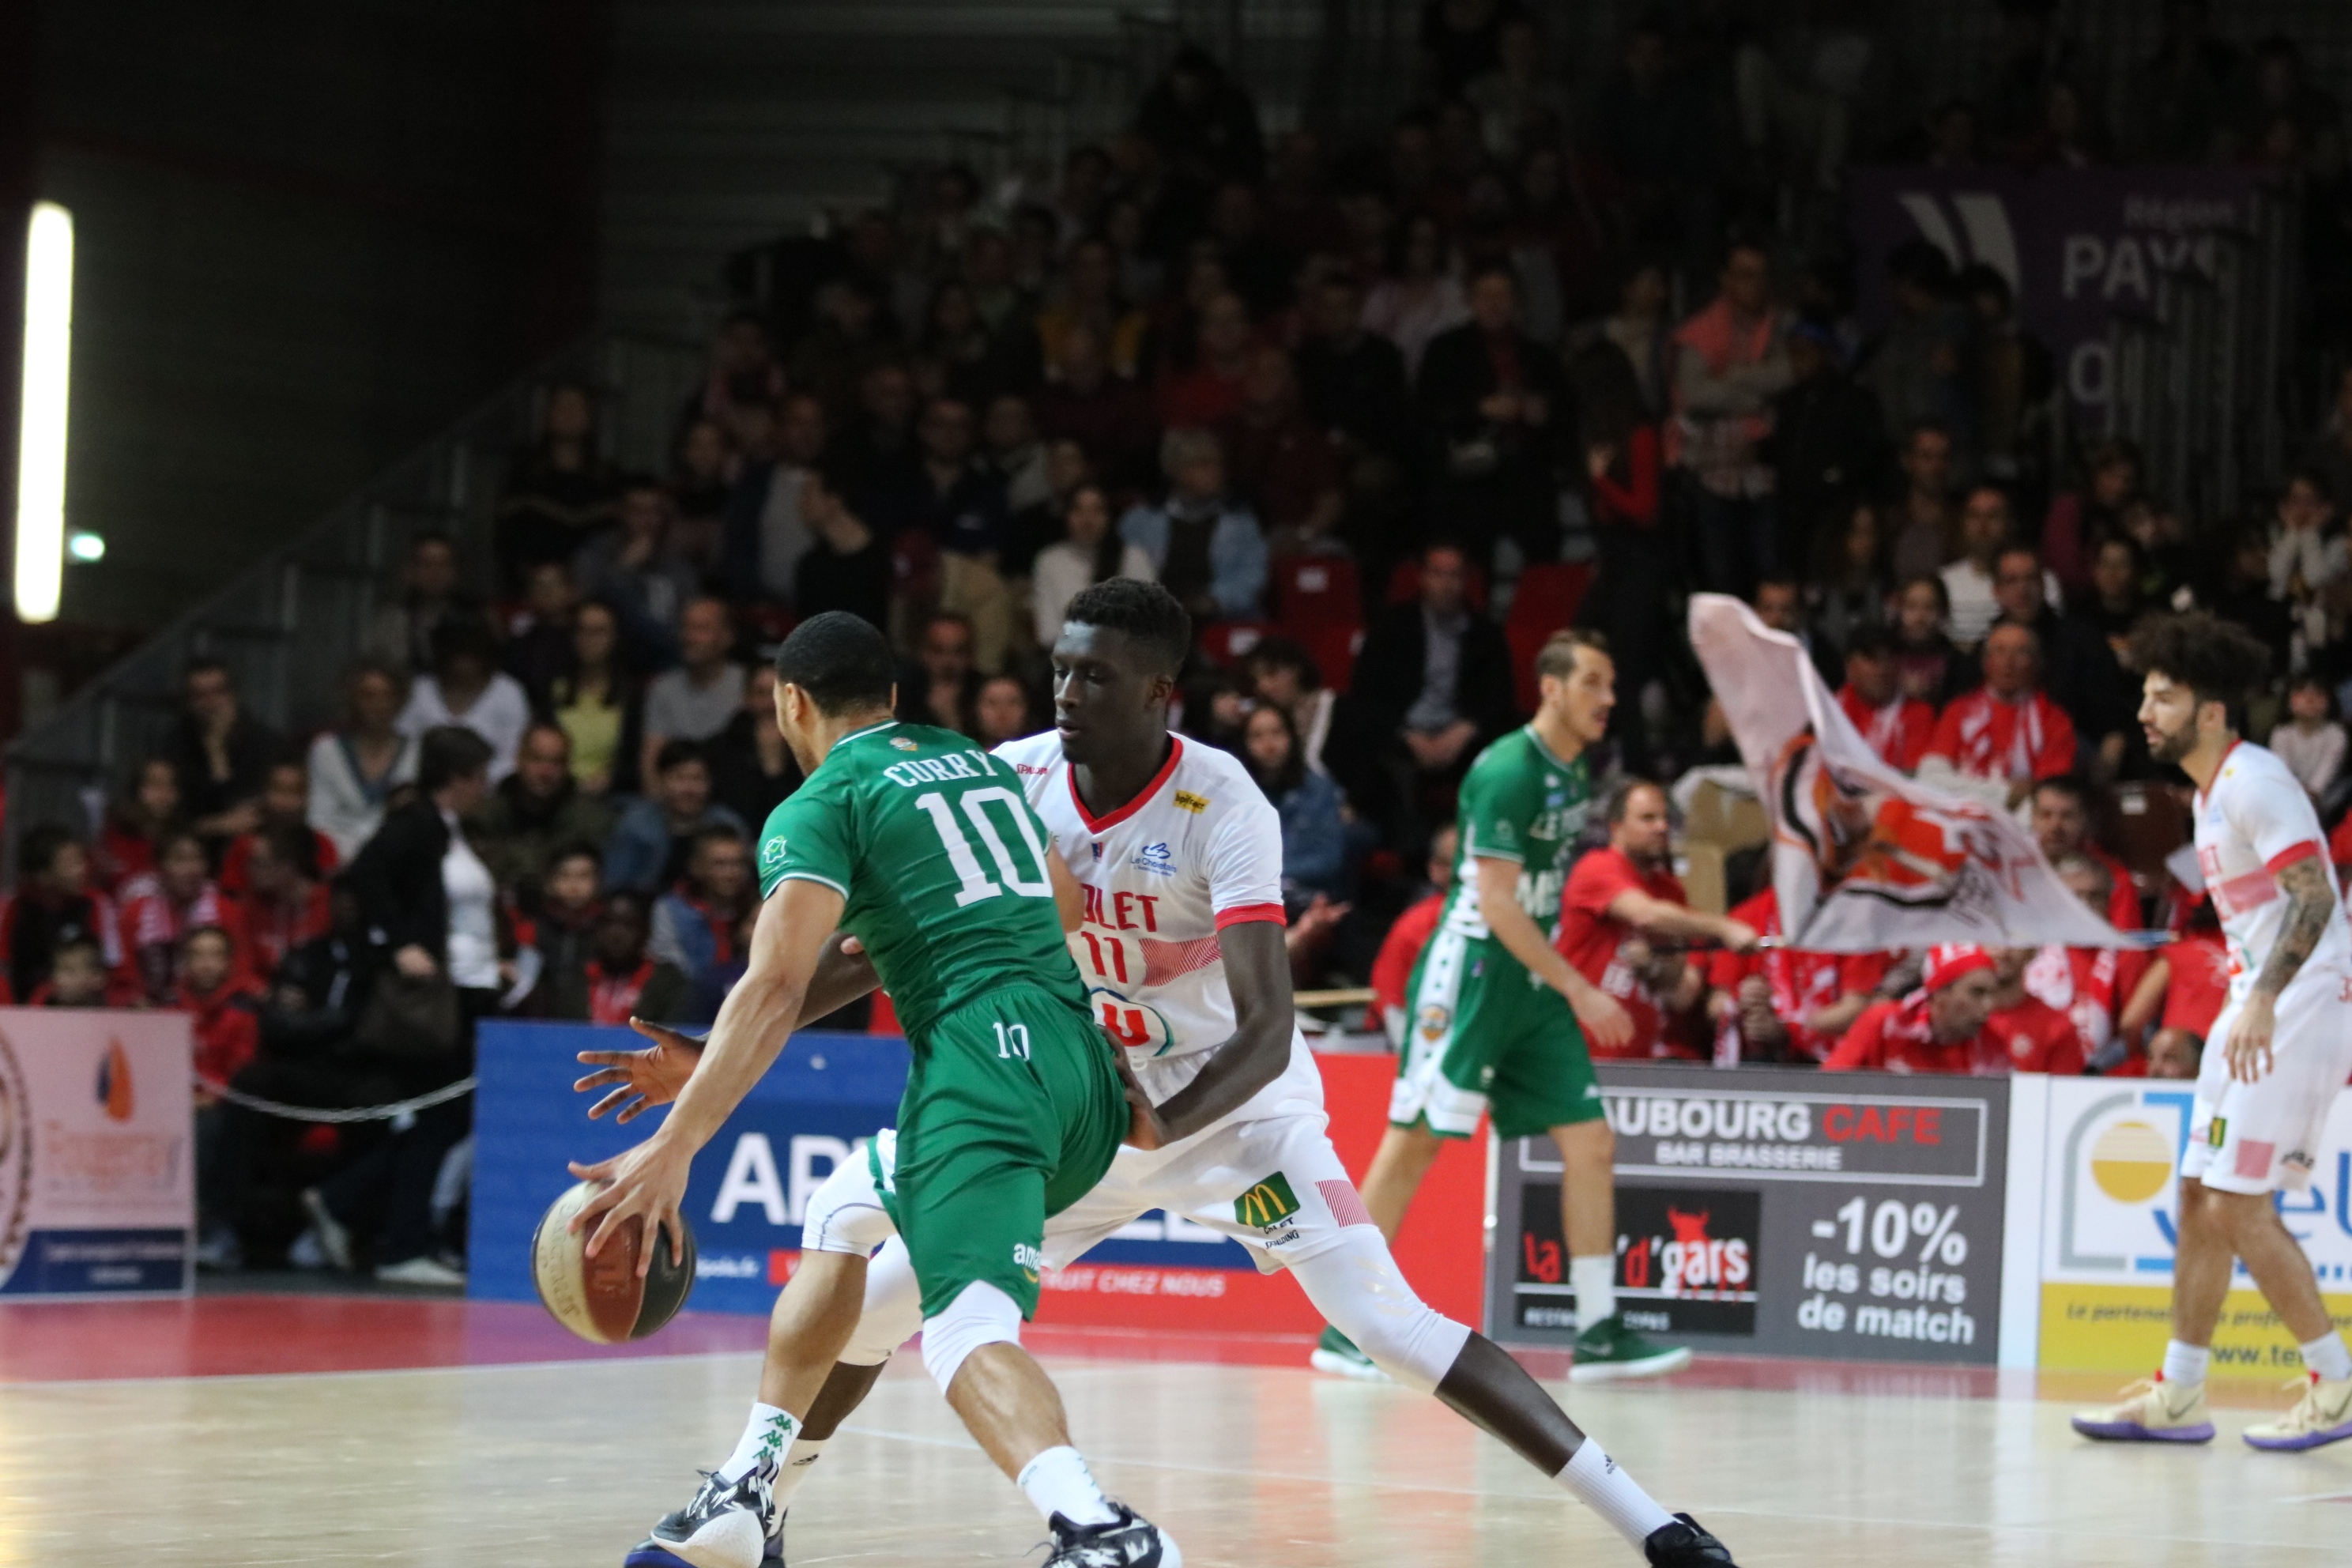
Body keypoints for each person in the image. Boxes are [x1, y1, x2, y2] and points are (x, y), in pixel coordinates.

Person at [575, 592, 1743, 1568]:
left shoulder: (1221, 801)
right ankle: (759, 1496)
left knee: (1390, 1327)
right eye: (1059, 672)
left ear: (1155, 695)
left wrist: (1170, 1118)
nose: (1066, 697)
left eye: (1093, 679)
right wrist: (701, 1044)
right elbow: (889, 940)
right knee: (879, 1292)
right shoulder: (1011, 773)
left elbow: (1272, 1023)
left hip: (1231, 1120)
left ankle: (1650, 1523)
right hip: (1086, 1100)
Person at [565, 609, 1182, 1568]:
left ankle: (1101, 1530)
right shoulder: (976, 762)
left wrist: (673, 1145)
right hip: (1084, 1059)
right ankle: (748, 1487)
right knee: (840, 1212)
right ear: (893, 699)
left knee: (964, 1327)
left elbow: (771, 985)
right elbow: (1062, 904)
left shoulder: (820, 805)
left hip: (982, 1065)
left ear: (789, 703)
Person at [1367, 630, 1693, 1382]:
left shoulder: (1576, 767)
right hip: (1478, 969)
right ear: (1551, 688)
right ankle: (1348, 1326)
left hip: (1530, 984)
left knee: (1591, 1142)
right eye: (1594, 683)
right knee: (1413, 1139)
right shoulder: (1508, 770)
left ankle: (1598, 1329)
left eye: (1612, 684)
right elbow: (1498, 905)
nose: (1609, 698)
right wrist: (1579, 985)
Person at [2073, 612, 2352, 1450]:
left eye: (2165, 698)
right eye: (2145, 697)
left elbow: (2315, 899)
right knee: (2198, 1193)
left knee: (2236, 1200)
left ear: (2213, 712)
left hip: (2297, 999)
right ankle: (2182, 1392)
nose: (2145, 713)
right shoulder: (2207, 793)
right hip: (2258, 996)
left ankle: (2336, 1385)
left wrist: (2264, 996)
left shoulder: (2254, 783)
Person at [327, 726, 503, 1287]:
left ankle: (342, 1201)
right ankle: (401, 1244)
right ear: (459, 777)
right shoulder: (419, 824)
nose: (485, 788)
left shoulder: (451, 829)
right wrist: (402, 942)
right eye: (479, 777)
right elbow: (366, 873)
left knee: (442, 1116)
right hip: (434, 998)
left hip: (468, 988)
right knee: (439, 1115)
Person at [1558, 779, 1762, 1062]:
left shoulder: (1669, 890)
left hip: (1638, 1056)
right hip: (1580, 1051)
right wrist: (1725, 927)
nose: (1661, 827)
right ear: (1616, 827)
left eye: (1665, 818)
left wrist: (1654, 966)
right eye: (1647, 819)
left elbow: (1680, 995)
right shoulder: (1597, 868)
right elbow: (1646, 914)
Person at [1418, 263, 1569, 566]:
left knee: (1544, 544)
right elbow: (1427, 409)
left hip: (1526, 472)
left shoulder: (1539, 355)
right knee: (1469, 549)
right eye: (1485, 295)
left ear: (1517, 301)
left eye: (1502, 295)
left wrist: (1541, 413)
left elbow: (1562, 410)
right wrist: (1479, 409)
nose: (1494, 304)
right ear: (1470, 301)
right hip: (1467, 472)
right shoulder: (1446, 351)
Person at [1351, 541, 1519, 805]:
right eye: (1437, 574)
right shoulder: (1391, 628)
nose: (1446, 583)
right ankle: (1411, 844)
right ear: (1422, 578)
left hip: (1462, 736)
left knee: (1499, 757)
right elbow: (1367, 692)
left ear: (1465, 580)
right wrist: (1408, 734)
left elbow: (1499, 697)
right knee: (1380, 758)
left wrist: (1464, 730)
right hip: (1405, 734)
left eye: (1454, 575)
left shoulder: (1486, 634)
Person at [1668, 240, 1792, 598]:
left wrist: (1730, 377)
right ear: (1725, 279)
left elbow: (1787, 375)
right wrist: (1753, 394)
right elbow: (1694, 394)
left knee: (1768, 574)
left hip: (1762, 472)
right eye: (1744, 275)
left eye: (1760, 276)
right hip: (1711, 473)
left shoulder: (1781, 327)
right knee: (1721, 581)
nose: (1754, 284)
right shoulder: (1700, 332)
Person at [1704, 877, 1883, 1065]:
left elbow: (1856, 1009)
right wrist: (1742, 1002)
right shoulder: (1744, 917)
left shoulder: (1854, 920)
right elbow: (1716, 1004)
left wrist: (1788, 1028)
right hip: (1760, 1060)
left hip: (1833, 1060)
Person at [1118, 428, 1267, 621]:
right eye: (1202, 465)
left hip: (1220, 619)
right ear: (1175, 470)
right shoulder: (1141, 520)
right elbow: (1122, 572)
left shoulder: (1240, 521)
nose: (1214, 472)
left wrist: (1214, 600)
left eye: (1217, 464)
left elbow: (1253, 574)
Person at [1920, 623, 2076, 803]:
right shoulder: (1958, 710)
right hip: (1961, 810)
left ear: (2036, 663)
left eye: (2021, 652)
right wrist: (2004, 791)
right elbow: (1930, 776)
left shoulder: (2055, 719)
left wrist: (1966, 787)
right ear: (1986, 662)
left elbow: (2045, 792)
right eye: (2000, 651)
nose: (2008, 662)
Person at [469, 722, 616, 904]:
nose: (546, 772)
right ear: (519, 760)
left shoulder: (591, 820)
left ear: (568, 766)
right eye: (537, 760)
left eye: (556, 762)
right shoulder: (484, 815)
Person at [497, 379, 620, 594]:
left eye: (577, 408)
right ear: (548, 415)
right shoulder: (525, 474)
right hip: (535, 588)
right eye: (562, 407)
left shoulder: (607, 478)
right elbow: (508, 539)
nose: (569, 414)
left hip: (593, 590)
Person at [574, 481, 703, 663]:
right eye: (637, 511)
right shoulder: (596, 553)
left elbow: (689, 619)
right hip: (609, 660)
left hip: (666, 660)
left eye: (654, 511)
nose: (646, 520)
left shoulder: (678, 561)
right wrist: (624, 569)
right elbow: (588, 605)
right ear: (621, 513)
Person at [160, 658, 285, 844]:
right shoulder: (174, 744)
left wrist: (218, 755)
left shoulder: (266, 742)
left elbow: (254, 808)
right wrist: (211, 826)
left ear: (233, 695)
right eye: (199, 695)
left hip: (252, 845)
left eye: (218, 692)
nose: (210, 703)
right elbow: (168, 813)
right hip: (193, 847)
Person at [1823, 944, 2002, 1073]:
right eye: (1976, 993)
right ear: (1940, 992)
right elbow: (1829, 1085)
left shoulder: (1990, 1044)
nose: (1988, 1006)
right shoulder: (1884, 1023)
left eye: (1991, 994)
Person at [1240, 702, 1353, 905]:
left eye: (1277, 732)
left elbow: (1328, 859)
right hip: (1245, 896)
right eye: (1257, 736)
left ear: (1292, 736)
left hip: (1304, 896)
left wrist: (1269, 876)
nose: (1269, 743)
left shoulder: (1320, 790)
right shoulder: (1232, 792)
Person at [307, 661, 419, 861]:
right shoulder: (326, 750)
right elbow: (319, 818)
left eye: (387, 695)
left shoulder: (417, 751)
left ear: (400, 700)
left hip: (397, 859)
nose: (379, 705)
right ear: (352, 699)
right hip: (336, 855)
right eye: (368, 696)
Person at [605, 741, 748, 895]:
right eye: (680, 778)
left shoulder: (728, 824)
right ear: (661, 780)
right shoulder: (636, 824)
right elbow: (615, 885)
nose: (689, 789)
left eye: (697, 779)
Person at [398, 620, 533, 783]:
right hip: (423, 786)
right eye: (457, 654)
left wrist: (472, 785)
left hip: (490, 791)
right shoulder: (419, 691)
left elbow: (513, 757)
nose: (463, 663)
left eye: (471, 654)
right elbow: (404, 746)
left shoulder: (508, 693)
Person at [0, 824, 122, 1002]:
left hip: (88, 1011)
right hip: (23, 1015)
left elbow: (114, 970)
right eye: (71, 864)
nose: (83, 869)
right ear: (43, 876)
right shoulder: (12, 909)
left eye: (81, 861)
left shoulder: (96, 904)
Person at [640, 597, 749, 786]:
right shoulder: (663, 688)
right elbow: (651, 760)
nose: (689, 637)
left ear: (727, 637)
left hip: (733, 799)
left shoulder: (746, 685)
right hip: (673, 802)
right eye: (686, 628)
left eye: (701, 629)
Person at [1030, 482, 1154, 646]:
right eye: (1078, 510)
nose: (1087, 519)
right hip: (1069, 660)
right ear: (1066, 515)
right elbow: (1048, 633)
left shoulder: (1133, 557)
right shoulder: (1050, 561)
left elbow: (1149, 624)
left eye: (1097, 510)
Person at [544, 891, 691, 1025]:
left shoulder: (667, 980)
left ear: (646, 931)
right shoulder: (575, 977)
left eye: (628, 925)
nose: (617, 934)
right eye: (609, 923)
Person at [1368, 824, 1457, 1043]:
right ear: (1435, 869)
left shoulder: (1516, 922)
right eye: (1459, 862)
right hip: (1407, 1043)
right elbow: (1393, 1007)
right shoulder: (1415, 925)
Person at [119, 830, 229, 1003]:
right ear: (160, 867)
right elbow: (125, 975)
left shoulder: (226, 911)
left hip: (212, 1009)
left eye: (197, 859)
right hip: (150, 1013)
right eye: (179, 860)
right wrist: (135, 1000)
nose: (190, 870)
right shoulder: (135, 912)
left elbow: (239, 971)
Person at [548, 601, 641, 797]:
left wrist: (611, 780)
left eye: (599, 632)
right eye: (582, 630)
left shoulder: (632, 696)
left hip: (612, 797)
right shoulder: (554, 689)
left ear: (616, 637)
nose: (589, 639)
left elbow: (634, 760)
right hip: (557, 793)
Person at [650, 827, 756, 995]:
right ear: (696, 866)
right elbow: (671, 968)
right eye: (720, 864)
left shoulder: (759, 908)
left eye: (738, 863)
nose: (731, 873)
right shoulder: (671, 909)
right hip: (689, 1000)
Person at [2028, 775, 2141, 932]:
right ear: (2032, 818)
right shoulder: (2011, 871)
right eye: (2046, 815)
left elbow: (2128, 948)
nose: (2055, 826)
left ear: (2084, 819)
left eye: (2067, 816)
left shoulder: (2116, 879)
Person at [364, 530, 481, 675]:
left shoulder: (477, 618)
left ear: (456, 570)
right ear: (410, 570)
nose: (436, 573)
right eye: (426, 565)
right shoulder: (390, 622)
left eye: (444, 564)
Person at [793, 469, 895, 632]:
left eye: (808, 494)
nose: (800, 504)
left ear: (834, 499)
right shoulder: (811, 566)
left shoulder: (884, 558)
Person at [705, 665, 805, 830]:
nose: (772, 704)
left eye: (779, 694)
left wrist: (775, 765)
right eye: (762, 694)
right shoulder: (719, 748)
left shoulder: (812, 746)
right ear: (747, 698)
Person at [1835, 625, 1936, 772]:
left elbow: (1912, 778)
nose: (1882, 669)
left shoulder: (1919, 714)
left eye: (1889, 658)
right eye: (1872, 659)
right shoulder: (1830, 710)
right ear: (1849, 667)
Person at [96, 756, 185, 893]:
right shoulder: (113, 834)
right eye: (155, 784)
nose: (164, 792)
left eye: (170, 784)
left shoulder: (184, 837)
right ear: (137, 790)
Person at [895, 610, 986, 738]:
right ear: (922, 652)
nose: (948, 661)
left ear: (971, 655)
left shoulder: (985, 691)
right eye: (938, 651)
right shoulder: (901, 691)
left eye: (958, 651)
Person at [2269, 673, 2346, 802]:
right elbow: (2282, 773)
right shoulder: (2281, 734)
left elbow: (2322, 779)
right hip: (2287, 797)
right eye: (2301, 693)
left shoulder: (2336, 735)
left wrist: (2310, 793)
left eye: (2319, 694)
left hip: (2327, 803)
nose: (2310, 699)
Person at [974, 675, 1034, 748]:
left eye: (1012, 703)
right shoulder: (963, 756)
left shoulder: (1043, 756)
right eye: (992, 703)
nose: (1002, 712)